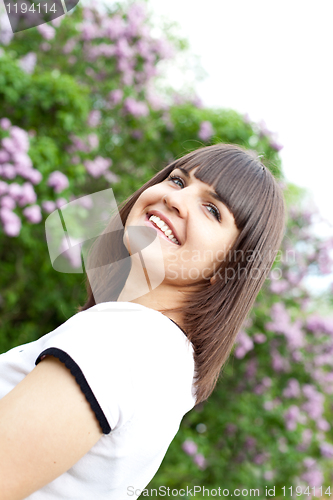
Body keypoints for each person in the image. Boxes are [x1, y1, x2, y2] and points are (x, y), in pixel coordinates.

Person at [0, 143, 286, 499]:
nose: (175, 199)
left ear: (228, 268)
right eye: (178, 181)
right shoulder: (166, 358)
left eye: (212, 209)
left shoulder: (124, 340)